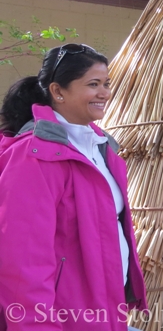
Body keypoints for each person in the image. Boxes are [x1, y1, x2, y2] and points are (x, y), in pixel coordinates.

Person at [0, 44, 147, 330]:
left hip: (105, 310)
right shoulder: (33, 154)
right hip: (63, 318)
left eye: (106, 84)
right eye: (93, 84)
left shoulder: (102, 149)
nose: (104, 93)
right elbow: (22, 260)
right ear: (58, 91)